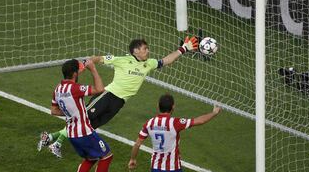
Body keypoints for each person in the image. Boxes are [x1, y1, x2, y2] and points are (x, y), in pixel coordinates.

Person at [38, 36, 199, 157]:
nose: (147, 51)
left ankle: (50, 137)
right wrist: (84, 64)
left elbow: (166, 61)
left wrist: (183, 48)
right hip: (108, 95)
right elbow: (100, 58)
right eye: (145, 48)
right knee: (83, 120)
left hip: (119, 103)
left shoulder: (148, 63)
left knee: (90, 126)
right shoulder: (122, 60)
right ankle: (56, 144)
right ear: (136, 51)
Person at [50, 59, 114, 172]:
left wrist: (71, 113)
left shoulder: (57, 89)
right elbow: (99, 89)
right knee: (107, 155)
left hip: (72, 134)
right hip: (84, 132)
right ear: (74, 74)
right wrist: (93, 69)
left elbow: (53, 111)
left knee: (91, 158)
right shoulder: (75, 88)